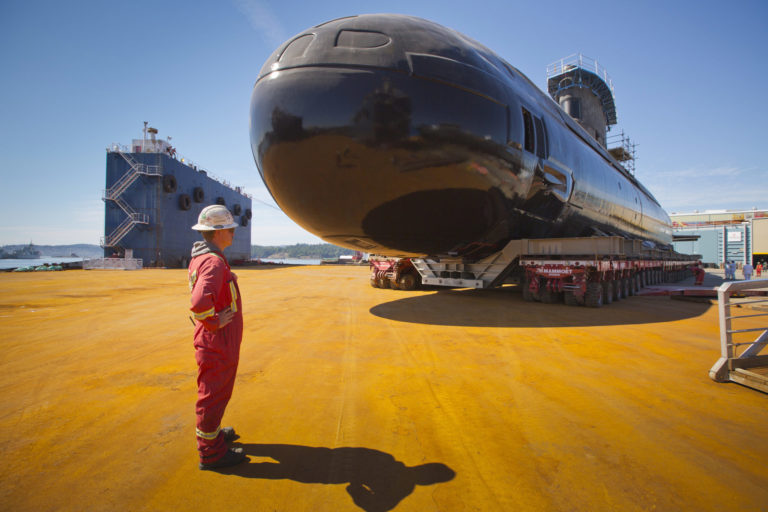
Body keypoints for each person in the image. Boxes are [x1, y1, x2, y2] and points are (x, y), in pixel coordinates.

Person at [188, 204, 247, 470]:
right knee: (212, 395)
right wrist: (213, 322)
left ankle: (214, 434)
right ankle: (211, 453)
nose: (233, 232)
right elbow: (200, 301)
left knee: (218, 392)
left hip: (218, 341)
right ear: (219, 231)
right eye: (230, 228)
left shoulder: (204, 257)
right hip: (217, 342)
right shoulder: (212, 261)